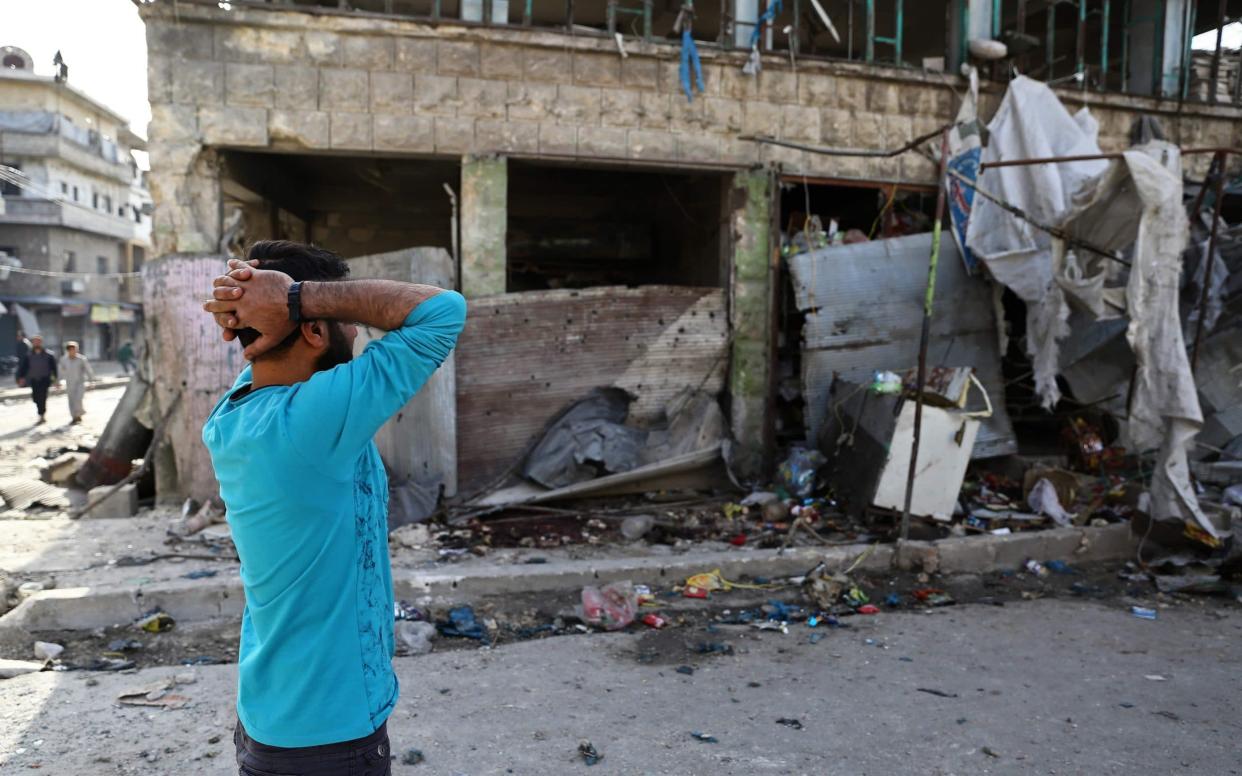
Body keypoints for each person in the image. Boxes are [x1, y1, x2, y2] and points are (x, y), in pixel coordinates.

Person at [200, 241, 466, 776]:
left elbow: (269, 345)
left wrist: (263, 300)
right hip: (329, 738)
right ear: (316, 329)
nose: (360, 332)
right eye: (348, 322)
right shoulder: (312, 419)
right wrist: (300, 296)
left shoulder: (236, 410)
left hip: (272, 718)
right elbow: (443, 311)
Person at [16, 334, 58, 424]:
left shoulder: (49, 355)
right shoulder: (29, 355)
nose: (36, 343)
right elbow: (24, 367)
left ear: (41, 342)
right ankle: (41, 412)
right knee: (35, 398)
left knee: (42, 397)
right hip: (34, 380)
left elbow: (54, 369)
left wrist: (55, 380)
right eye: (35, 341)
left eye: (38, 341)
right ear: (32, 343)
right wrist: (21, 378)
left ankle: (41, 415)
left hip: (44, 380)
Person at [61, 341, 96, 424]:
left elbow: (88, 370)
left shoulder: (81, 359)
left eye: (74, 349)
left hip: (80, 383)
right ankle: (74, 417)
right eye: (71, 349)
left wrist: (92, 380)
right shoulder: (64, 360)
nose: (73, 351)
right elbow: (61, 371)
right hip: (69, 383)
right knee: (71, 401)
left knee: (78, 400)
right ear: (68, 350)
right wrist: (58, 381)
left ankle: (79, 414)